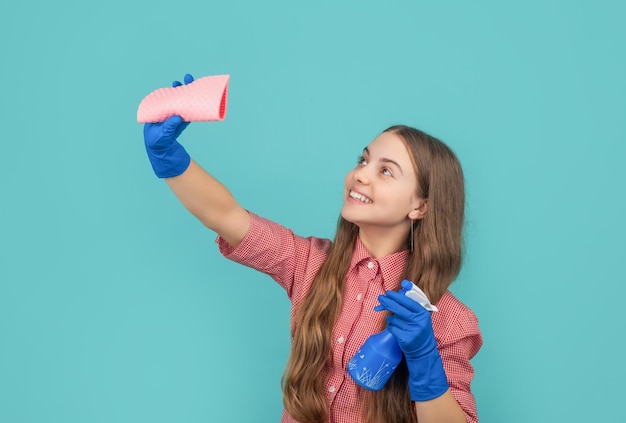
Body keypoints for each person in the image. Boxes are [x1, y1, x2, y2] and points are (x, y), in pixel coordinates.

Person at [142, 74, 483, 423]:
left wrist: (425, 362)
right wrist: (169, 159)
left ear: (421, 207)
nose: (361, 175)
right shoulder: (309, 263)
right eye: (363, 161)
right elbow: (226, 216)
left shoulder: (447, 319)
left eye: (386, 171)